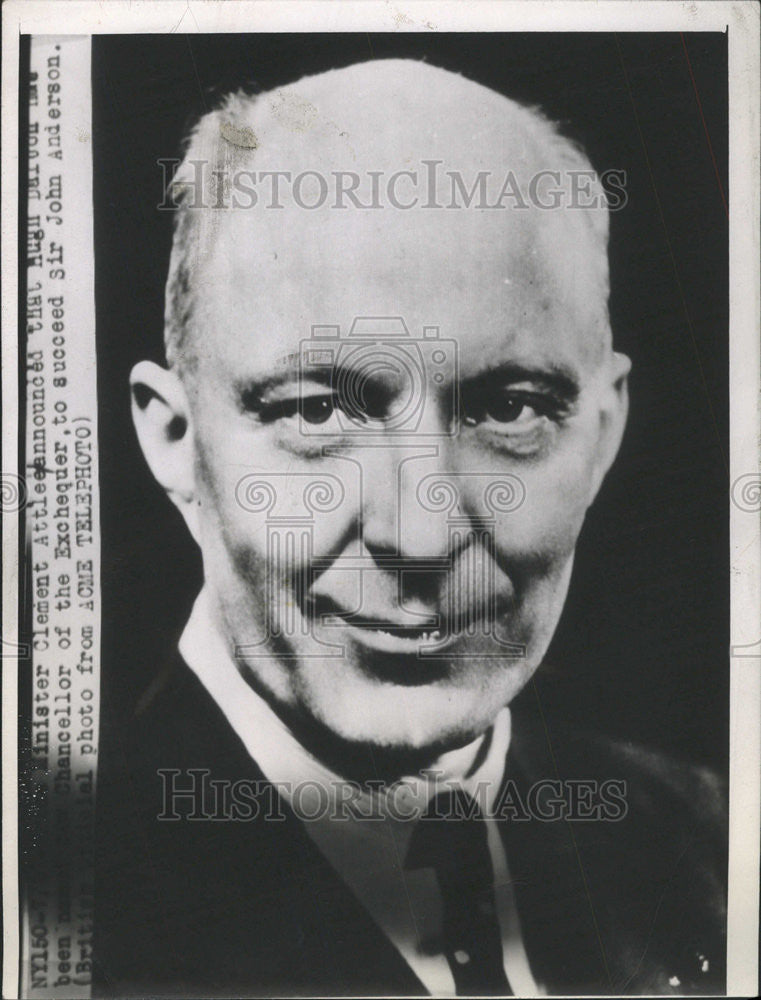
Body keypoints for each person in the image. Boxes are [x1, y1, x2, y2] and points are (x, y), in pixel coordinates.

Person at [94, 59, 726, 997]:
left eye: (508, 409)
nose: (422, 537)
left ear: (601, 435)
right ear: (176, 440)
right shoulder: (62, 889)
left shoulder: (711, 837)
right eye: (318, 414)